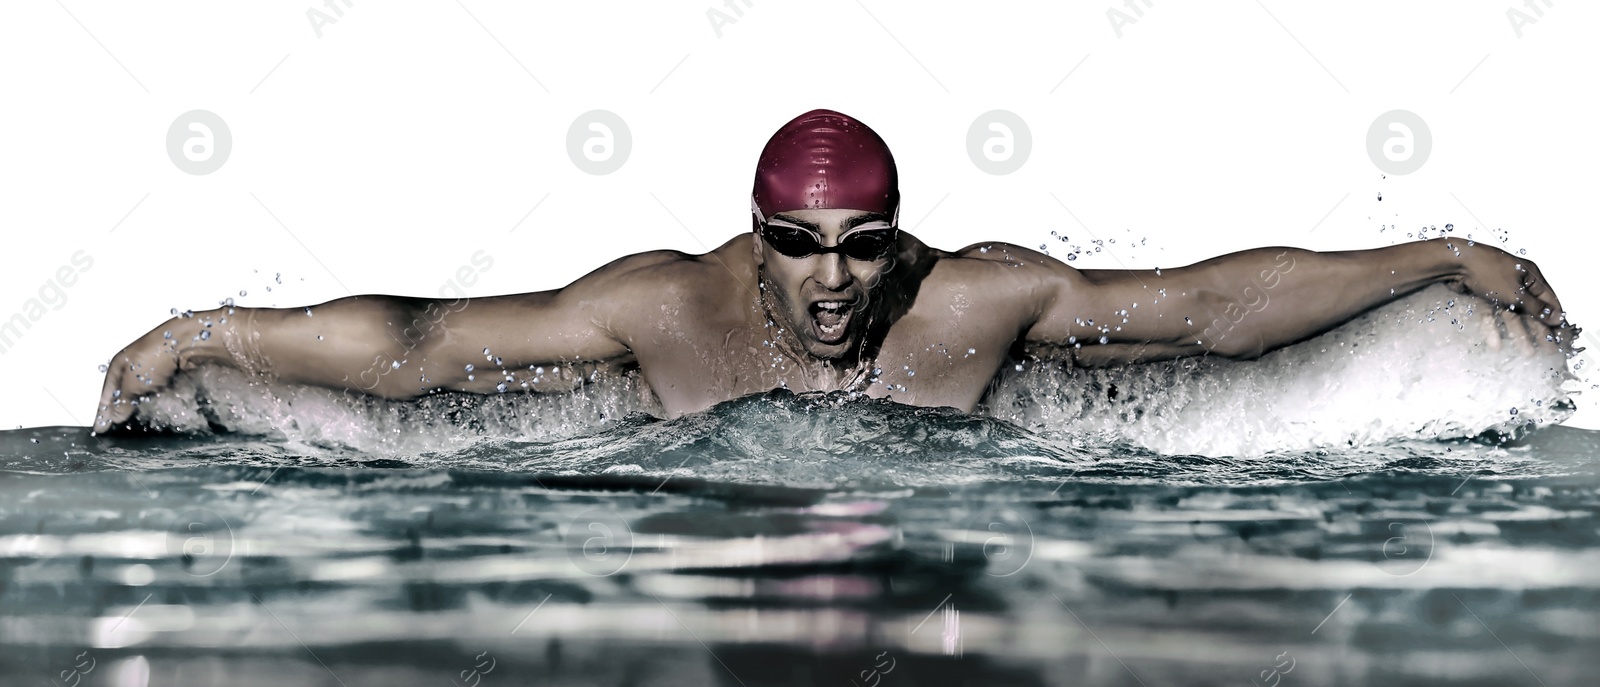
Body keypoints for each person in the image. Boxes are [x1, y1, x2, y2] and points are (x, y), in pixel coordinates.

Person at [93, 109, 1570, 431]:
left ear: (899, 238)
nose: (831, 284)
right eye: (795, 249)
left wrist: (1439, 250)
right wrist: (200, 329)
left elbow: (1201, 310)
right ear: (753, 238)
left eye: (864, 249)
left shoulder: (971, 301)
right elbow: (422, 341)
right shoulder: (669, 309)